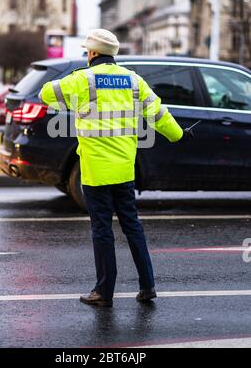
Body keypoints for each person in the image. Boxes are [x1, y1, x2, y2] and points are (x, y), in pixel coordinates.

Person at [40, 29, 191, 308]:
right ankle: (147, 286)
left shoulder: (83, 79)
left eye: (87, 52)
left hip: (96, 172)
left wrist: (75, 80)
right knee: (132, 226)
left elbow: (46, 93)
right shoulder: (134, 80)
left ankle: (104, 291)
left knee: (102, 229)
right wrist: (178, 134)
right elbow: (157, 113)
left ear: (93, 53)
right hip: (124, 170)